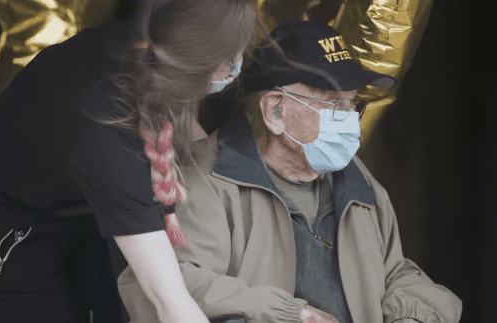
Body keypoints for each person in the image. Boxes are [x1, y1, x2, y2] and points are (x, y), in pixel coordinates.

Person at [117, 20, 463, 323]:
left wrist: (412, 316)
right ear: (276, 112)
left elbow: (394, 273)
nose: (349, 118)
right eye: (334, 104)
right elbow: (167, 288)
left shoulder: (356, 179)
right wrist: (289, 314)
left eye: (353, 103)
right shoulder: (204, 181)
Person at [0, 0, 258, 322]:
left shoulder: (152, 46)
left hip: (81, 205)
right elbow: (170, 302)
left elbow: (183, 124)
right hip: (10, 224)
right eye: (229, 59)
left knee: (104, 308)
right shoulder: (105, 139)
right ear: (193, 58)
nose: (236, 66)